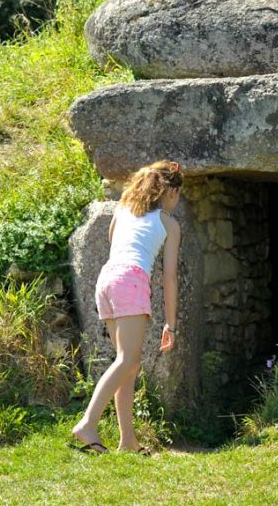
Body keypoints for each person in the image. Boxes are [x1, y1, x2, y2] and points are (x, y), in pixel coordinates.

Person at [69, 160, 183, 455]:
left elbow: (113, 242)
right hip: (131, 280)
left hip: (107, 280)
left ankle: (128, 441)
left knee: (127, 365)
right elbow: (169, 277)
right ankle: (88, 424)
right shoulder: (169, 224)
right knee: (127, 361)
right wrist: (171, 324)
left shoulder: (122, 210)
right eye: (178, 194)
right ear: (170, 192)